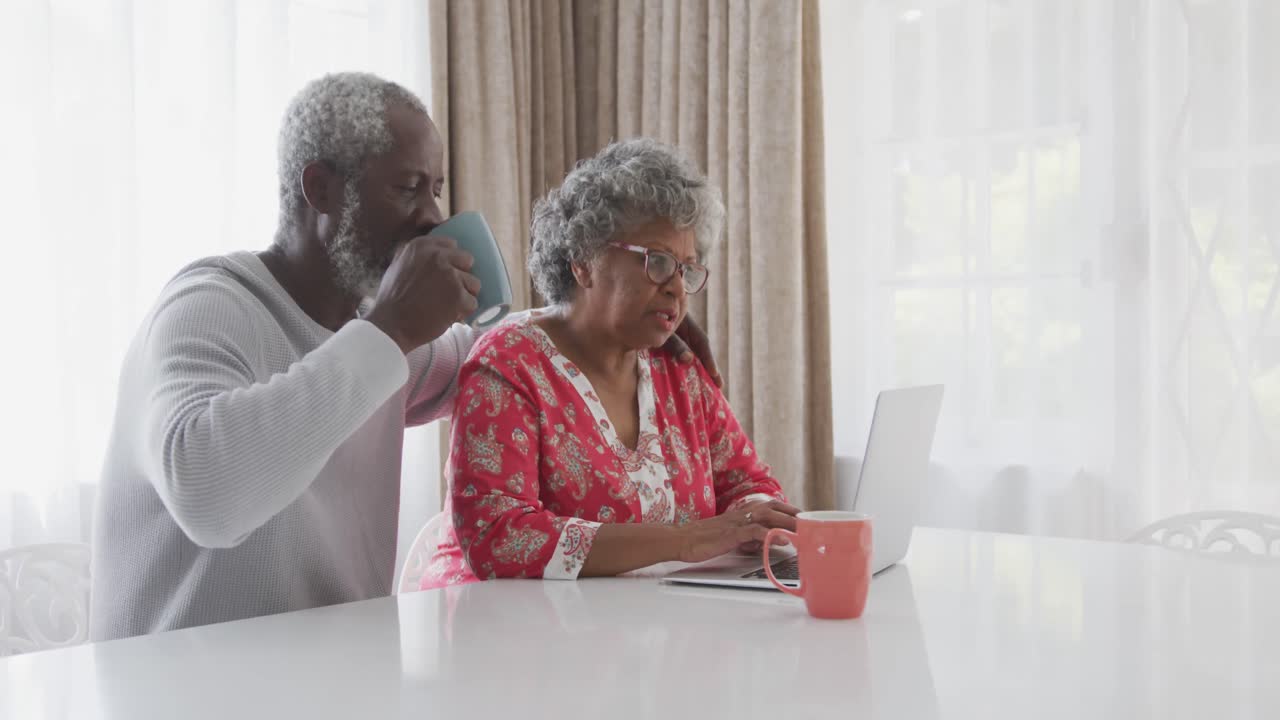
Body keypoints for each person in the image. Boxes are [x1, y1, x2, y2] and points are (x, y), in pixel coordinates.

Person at [89, 73, 717, 641]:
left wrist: (614, 320)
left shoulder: (379, 342)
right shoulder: (207, 307)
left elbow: (497, 356)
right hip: (179, 687)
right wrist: (391, 329)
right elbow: (207, 495)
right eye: (408, 189)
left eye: (436, 190)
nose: (433, 219)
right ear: (321, 188)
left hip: (330, 683)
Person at [421, 138, 799, 589]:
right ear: (584, 262)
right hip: (511, 636)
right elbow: (499, 537)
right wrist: (684, 540)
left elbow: (749, 484)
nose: (677, 289)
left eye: (687, 269)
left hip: (651, 630)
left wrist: (755, 519)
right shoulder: (507, 367)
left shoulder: (677, 367)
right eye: (657, 262)